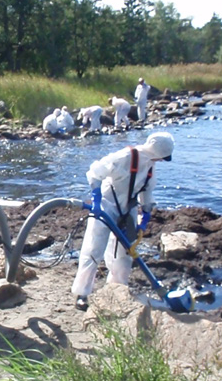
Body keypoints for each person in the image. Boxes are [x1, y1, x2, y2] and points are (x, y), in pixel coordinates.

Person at [71, 132, 175, 311]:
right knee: (94, 249)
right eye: (162, 157)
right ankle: (82, 294)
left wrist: (146, 214)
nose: (161, 161)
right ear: (157, 152)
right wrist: (95, 199)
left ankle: (117, 289)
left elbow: (146, 191)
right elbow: (95, 173)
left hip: (128, 209)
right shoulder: (125, 156)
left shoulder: (150, 165)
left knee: (125, 253)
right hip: (106, 204)